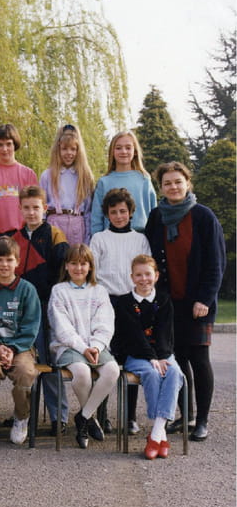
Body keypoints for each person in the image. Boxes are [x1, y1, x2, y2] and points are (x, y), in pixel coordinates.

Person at [145, 161, 225, 441]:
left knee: (199, 359)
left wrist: (204, 298)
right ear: (160, 187)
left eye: (178, 181)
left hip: (198, 302)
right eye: (167, 183)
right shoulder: (157, 217)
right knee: (176, 360)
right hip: (169, 304)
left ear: (188, 183)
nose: (173, 187)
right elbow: (151, 259)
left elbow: (216, 263)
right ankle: (185, 415)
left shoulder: (203, 216)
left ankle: (202, 420)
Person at [5, 185, 69, 436]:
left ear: (45, 208)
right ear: (20, 209)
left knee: (49, 361)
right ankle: (23, 414)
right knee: (24, 363)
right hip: (21, 310)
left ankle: (58, 416)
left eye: (36, 207)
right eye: (27, 208)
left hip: (47, 306)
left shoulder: (54, 234)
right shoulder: (14, 238)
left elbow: (62, 271)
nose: (31, 212)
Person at [90, 187, 151, 434]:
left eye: (123, 211)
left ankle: (130, 417)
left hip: (132, 302)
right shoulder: (99, 239)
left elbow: (146, 272)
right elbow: (92, 272)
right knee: (106, 360)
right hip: (107, 302)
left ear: (131, 212)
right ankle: (102, 415)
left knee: (132, 359)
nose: (118, 216)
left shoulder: (140, 240)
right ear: (107, 214)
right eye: (113, 212)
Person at [110, 255, 184, 459]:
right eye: (139, 275)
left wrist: (161, 356)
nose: (144, 279)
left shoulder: (164, 300)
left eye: (148, 274)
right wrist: (151, 358)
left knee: (175, 373)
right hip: (136, 354)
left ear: (156, 276)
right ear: (132, 277)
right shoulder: (124, 302)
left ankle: (156, 433)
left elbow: (165, 333)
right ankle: (160, 434)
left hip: (163, 353)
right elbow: (133, 334)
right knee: (151, 373)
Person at [48, 244, 119, 449]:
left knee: (112, 370)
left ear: (90, 267)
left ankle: (83, 416)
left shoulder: (99, 291)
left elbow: (105, 323)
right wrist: (82, 348)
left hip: (96, 345)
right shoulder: (59, 291)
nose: (78, 268)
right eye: (73, 263)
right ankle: (90, 418)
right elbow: (61, 327)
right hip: (69, 346)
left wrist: (96, 346)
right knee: (81, 372)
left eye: (83, 263)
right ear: (66, 266)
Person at [0, 237, 41, 445]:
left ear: (17, 261)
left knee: (26, 371)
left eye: (9, 260)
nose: (4, 264)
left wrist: (13, 348)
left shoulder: (28, 289)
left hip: (21, 347)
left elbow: (31, 326)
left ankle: (22, 417)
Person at [0, 123, 38, 236]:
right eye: (0, 144)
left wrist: (26, 232)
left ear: (15, 145)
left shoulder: (28, 174)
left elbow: (34, 206)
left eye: (8, 144)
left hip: (23, 234)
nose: (4, 149)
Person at [90, 130, 156, 235]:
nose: (123, 151)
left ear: (135, 151)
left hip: (141, 236)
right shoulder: (104, 182)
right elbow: (96, 218)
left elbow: (154, 213)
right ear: (112, 151)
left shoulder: (144, 179)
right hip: (111, 238)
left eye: (128, 148)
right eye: (118, 148)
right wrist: (96, 238)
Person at [39, 124, 95, 245]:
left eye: (73, 149)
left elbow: (88, 211)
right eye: (64, 149)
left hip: (77, 226)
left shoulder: (84, 177)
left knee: (76, 256)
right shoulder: (47, 175)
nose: (69, 153)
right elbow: (41, 208)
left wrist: (87, 239)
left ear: (78, 151)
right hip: (54, 224)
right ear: (58, 149)